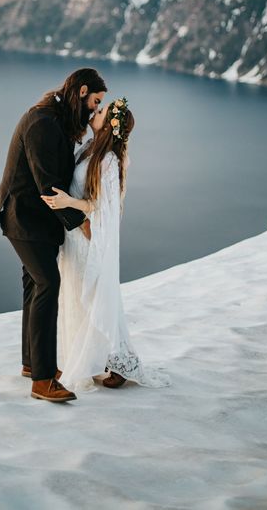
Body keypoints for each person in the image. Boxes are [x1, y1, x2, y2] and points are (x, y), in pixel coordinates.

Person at [0, 68, 107, 402]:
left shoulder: (55, 117)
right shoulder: (43, 122)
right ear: (81, 92)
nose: (96, 110)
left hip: (35, 220)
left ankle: (31, 364)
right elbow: (47, 185)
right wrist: (80, 219)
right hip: (23, 218)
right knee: (47, 283)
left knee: (34, 283)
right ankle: (43, 379)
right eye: (95, 101)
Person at [41, 97, 171, 393]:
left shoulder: (109, 160)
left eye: (100, 111)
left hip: (88, 240)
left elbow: (100, 206)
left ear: (110, 125)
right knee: (78, 297)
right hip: (74, 236)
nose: (94, 112)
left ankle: (120, 360)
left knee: (95, 299)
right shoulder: (90, 149)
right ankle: (92, 359)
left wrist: (67, 202)